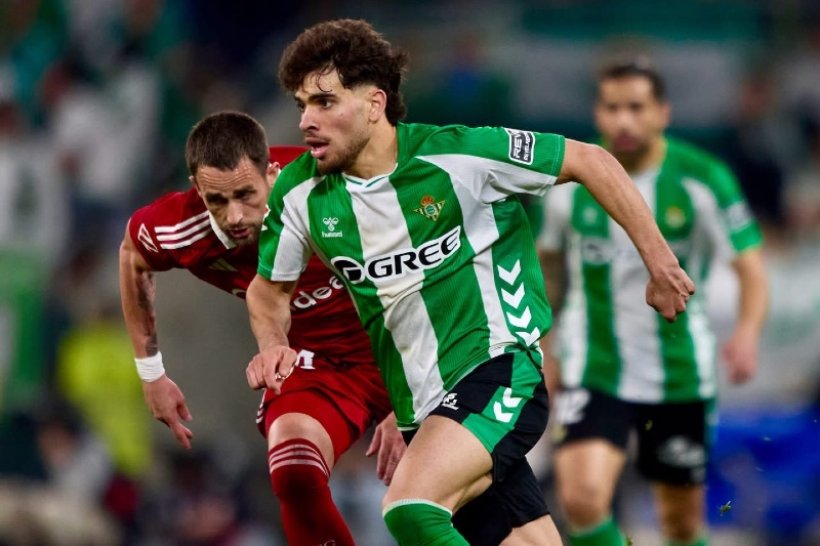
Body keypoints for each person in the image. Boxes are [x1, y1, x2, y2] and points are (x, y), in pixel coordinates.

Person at [245, 19, 695, 546]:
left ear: (374, 103)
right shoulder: (298, 192)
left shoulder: (458, 156)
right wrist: (273, 344)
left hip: (499, 371)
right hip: (421, 409)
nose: (306, 121)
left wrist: (660, 263)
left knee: (411, 509)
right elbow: (268, 289)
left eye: (324, 102)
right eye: (302, 104)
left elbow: (590, 160)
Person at [118, 111, 404, 546]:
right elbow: (132, 257)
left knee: (453, 500)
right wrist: (151, 373)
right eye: (217, 200)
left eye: (245, 195)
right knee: (293, 466)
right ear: (197, 188)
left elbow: (429, 274)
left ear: (271, 172)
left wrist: (408, 400)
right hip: (318, 364)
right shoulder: (179, 228)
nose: (234, 216)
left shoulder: (335, 188)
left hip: (404, 348)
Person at [539, 59, 769, 546]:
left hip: (679, 371)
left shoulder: (703, 179)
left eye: (636, 107)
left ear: (662, 112)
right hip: (593, 365)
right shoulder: (570, 182)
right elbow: (549, 268)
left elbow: (751, 268)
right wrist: (546, 345)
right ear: (597, 113)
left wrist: (747, 333)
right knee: (581, 500)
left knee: (680, 525)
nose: (623, 120)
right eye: (612, 108)